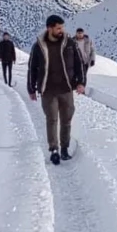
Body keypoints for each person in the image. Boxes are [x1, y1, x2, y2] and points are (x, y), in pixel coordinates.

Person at [27, 15, 85, 165]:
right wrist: (31, 88)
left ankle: (64, 149)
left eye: (62, 27)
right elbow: (32, 68)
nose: (61, 30)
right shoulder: (39, 46)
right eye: (58, 28)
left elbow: (79, 64)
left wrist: (81, 82)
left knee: (66, 120)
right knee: (52, 119)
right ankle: (54, 149)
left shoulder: (70, 43)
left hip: (66, 88)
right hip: (48, 90)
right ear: (49, 28)